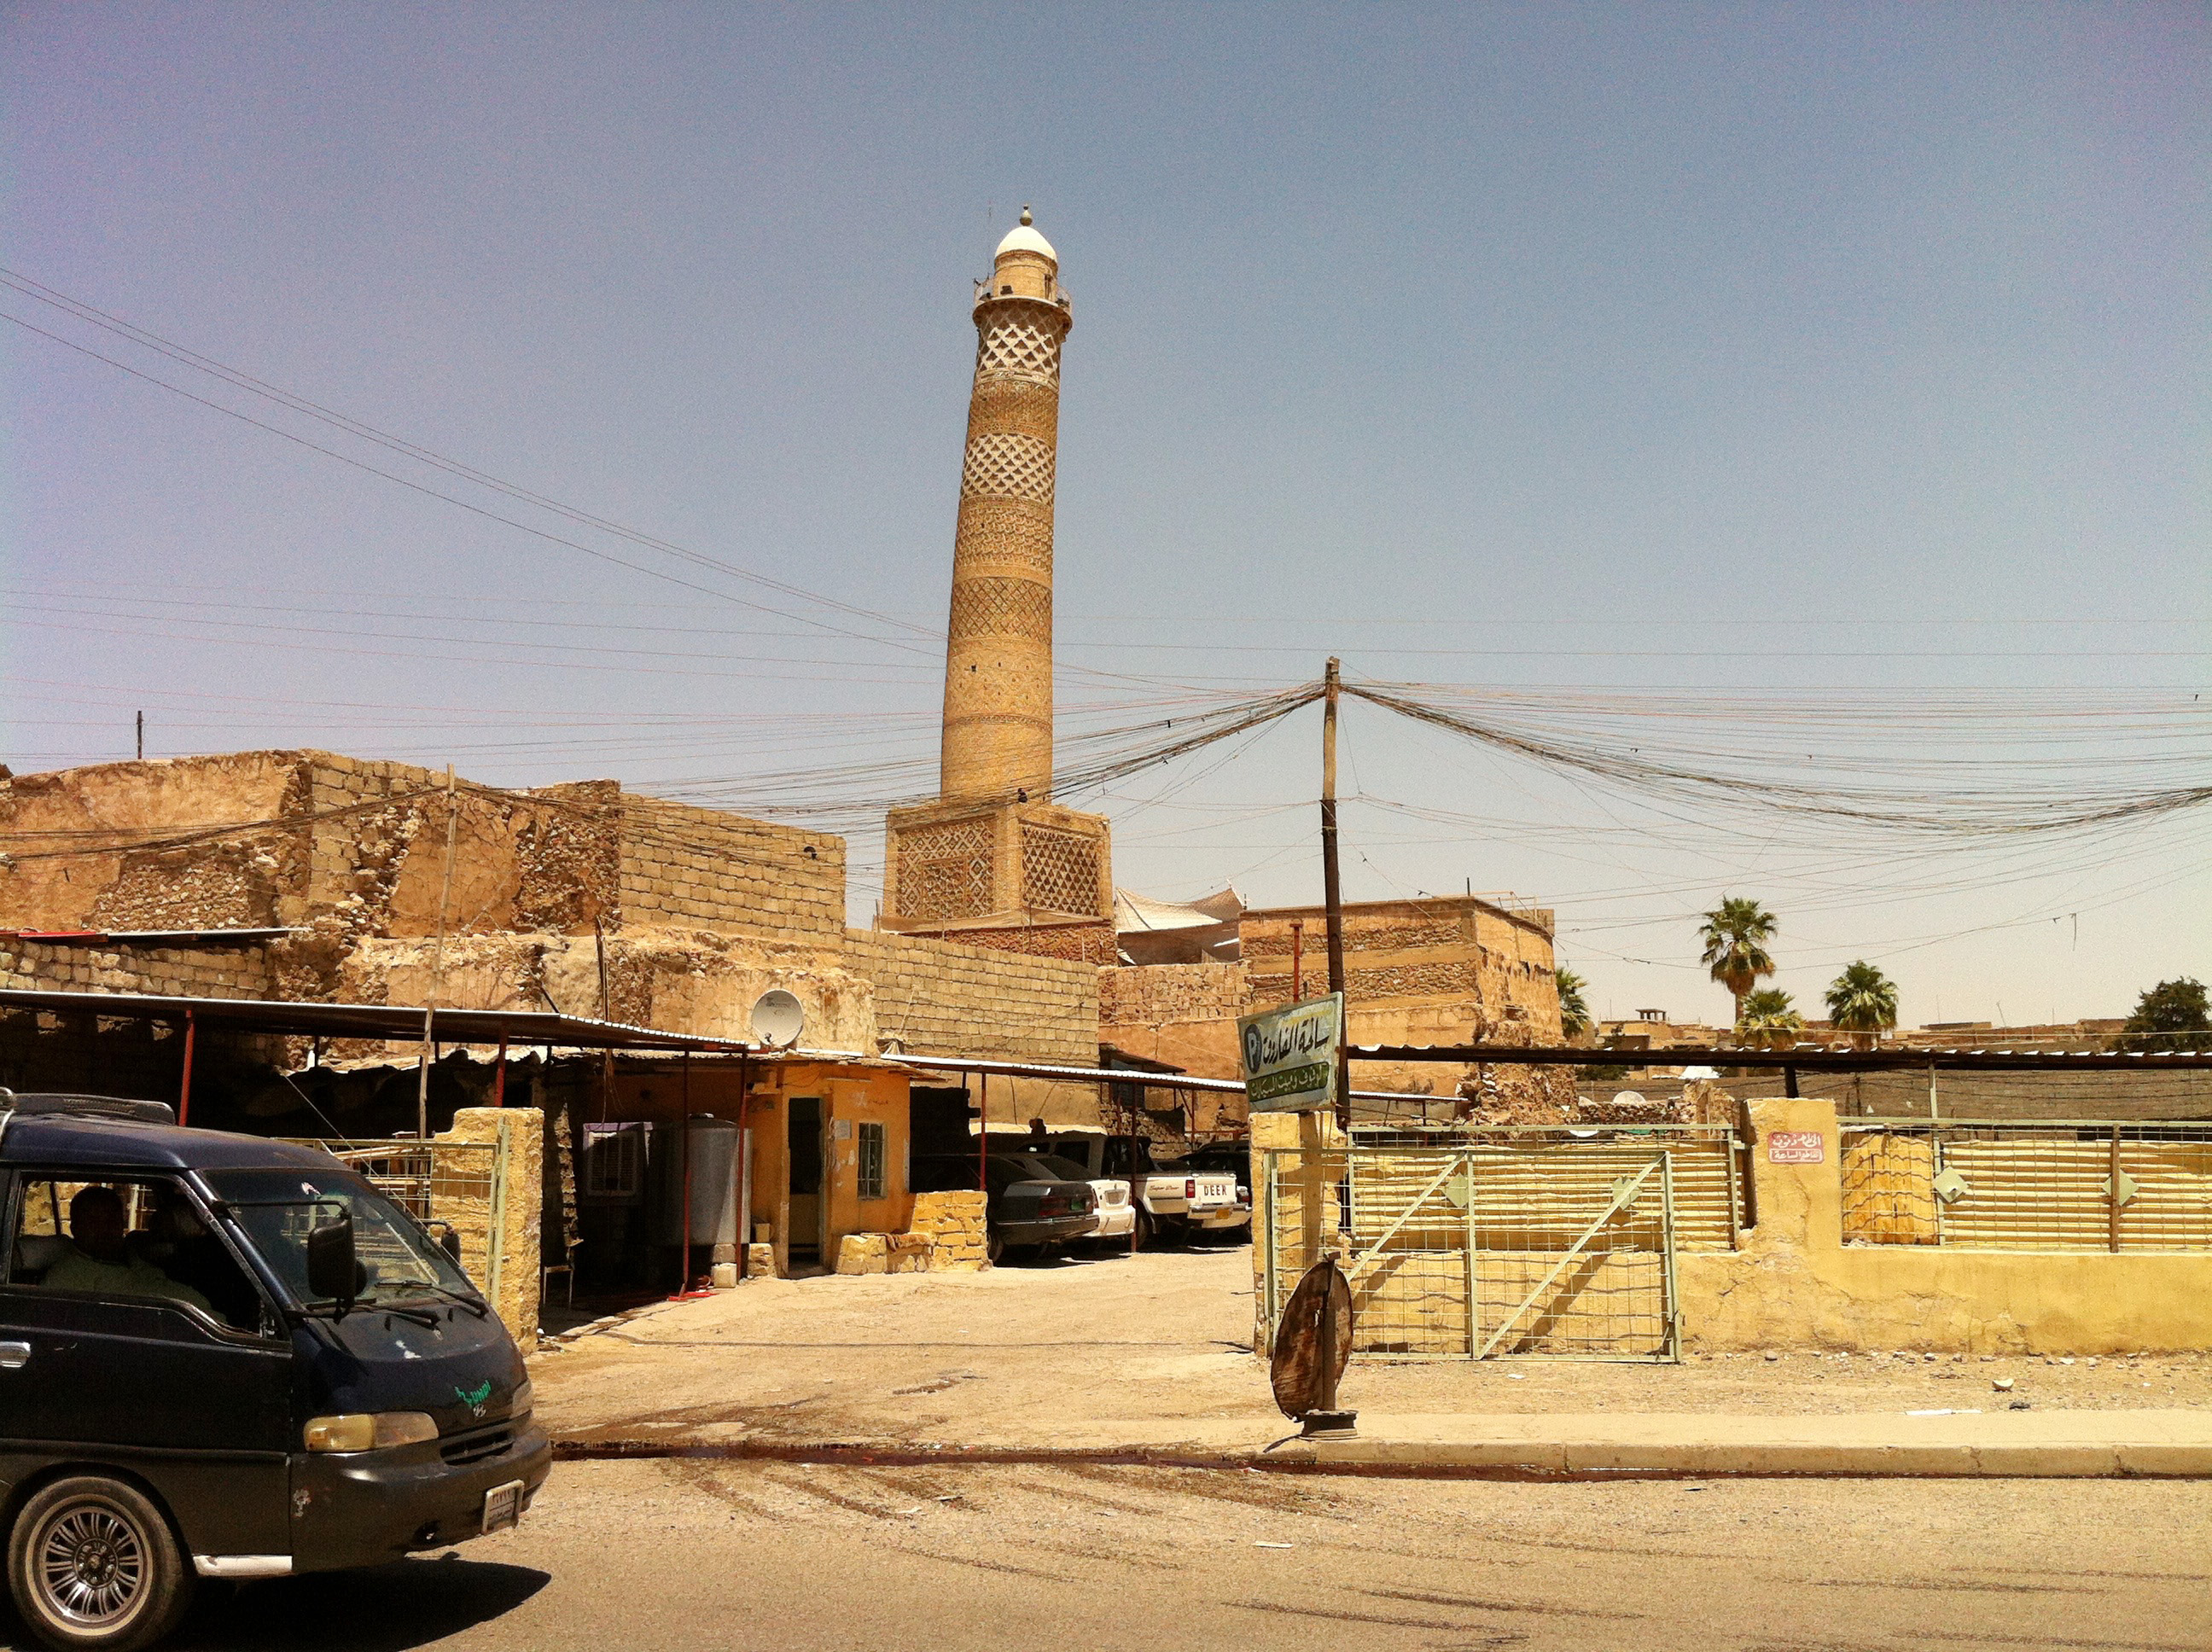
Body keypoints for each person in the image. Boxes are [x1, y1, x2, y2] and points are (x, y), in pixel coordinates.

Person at [43, 1186, 213, 1315]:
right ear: (75, 1228)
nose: (104, 1229)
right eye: (93, 1222)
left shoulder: (138, 1256)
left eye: (111, 1220)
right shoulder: (66, 1277)